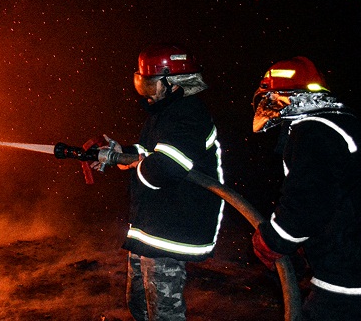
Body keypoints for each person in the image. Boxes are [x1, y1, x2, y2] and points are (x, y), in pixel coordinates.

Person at [99, 44, 224, 321]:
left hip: (173, 229)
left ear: (173, 82)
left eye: (150, 83)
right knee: (139, 305)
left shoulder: (188, 114)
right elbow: (153, 152)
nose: (145, 91)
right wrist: (122, 152)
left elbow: (165, 168)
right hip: (153, 225)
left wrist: (134, 164)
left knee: (163, 315)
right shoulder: (166, 112)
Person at [250, 56, 361, 320]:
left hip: (347, 280)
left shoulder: (312, 131)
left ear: (277, 97)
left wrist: (272, 239)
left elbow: (307, 203)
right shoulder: (344, 123)